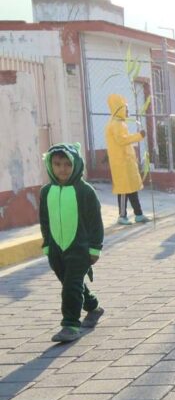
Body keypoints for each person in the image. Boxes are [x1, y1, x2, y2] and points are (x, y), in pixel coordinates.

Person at [39, 143, 105, 343]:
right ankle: (93, 307)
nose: (62, 169)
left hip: (80, 248)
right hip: (56, 249)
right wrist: (47, 245)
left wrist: (95, 249)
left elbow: (95, 222)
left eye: (68, 164)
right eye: (57, 164)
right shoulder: (46, 191)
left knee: (71, 286)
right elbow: (44, 220)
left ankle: (70, 325)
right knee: (71, 283)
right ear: (50, 165)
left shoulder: (85, 191)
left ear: (76, 164)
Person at [104, 93, 150, 225]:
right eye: (125, 108)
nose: (127, 110)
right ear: (119, 108)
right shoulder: (116, 124)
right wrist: (139, 136)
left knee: (132, 188)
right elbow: (122, 140)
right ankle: (122, 216)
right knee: (124, 189)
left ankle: (138, 214)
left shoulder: (120, 123)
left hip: (126, 161)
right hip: (121, 162)